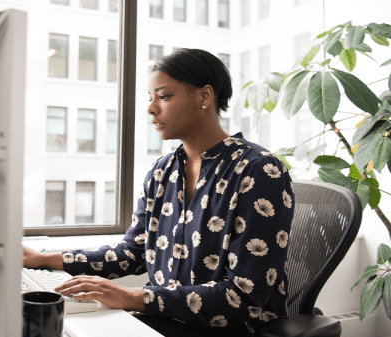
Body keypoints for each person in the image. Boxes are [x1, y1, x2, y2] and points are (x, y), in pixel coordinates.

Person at [23, 48, 294, 337]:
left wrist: (132, 297)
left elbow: (243, 294)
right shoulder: (162, 170)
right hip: (164, 320)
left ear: (204, 96)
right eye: (151, 98)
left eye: (164, 97)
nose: (151, 108)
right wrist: (42, 259)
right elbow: (130, 253)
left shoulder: (259, 170)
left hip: (235, 329)